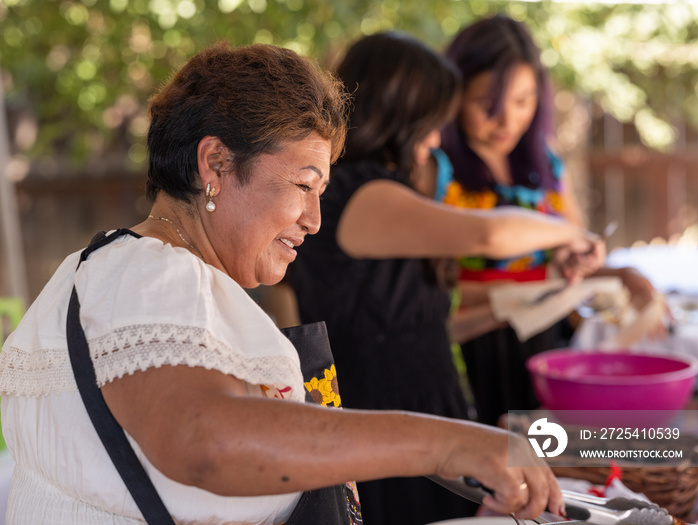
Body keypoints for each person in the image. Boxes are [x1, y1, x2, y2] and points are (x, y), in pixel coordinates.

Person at [0, 40, 567, 525]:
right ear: (215, 164)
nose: (314, 219)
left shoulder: (142, 273)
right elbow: (205, 440)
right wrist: (447, 443)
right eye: (303, 183)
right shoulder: (150, 273)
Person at [288, 32, 604, 525]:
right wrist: (569, 231)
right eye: (432, 125)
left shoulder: (380, 191)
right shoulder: (359, 195)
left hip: (420, 422)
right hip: (388, 433)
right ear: (399, 116)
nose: (437, 141)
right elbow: (488, 235)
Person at [438, 14, 665, 426]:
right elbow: (426, 285)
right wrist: (525, 292)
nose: (507, 121)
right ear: (453, 94)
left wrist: (619, 274)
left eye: (522, 102)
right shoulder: (436, 171)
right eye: (486, 105)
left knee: (546, 460)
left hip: (543, 347)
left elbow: (573, 256)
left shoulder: (547, 168)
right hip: (469, 351)